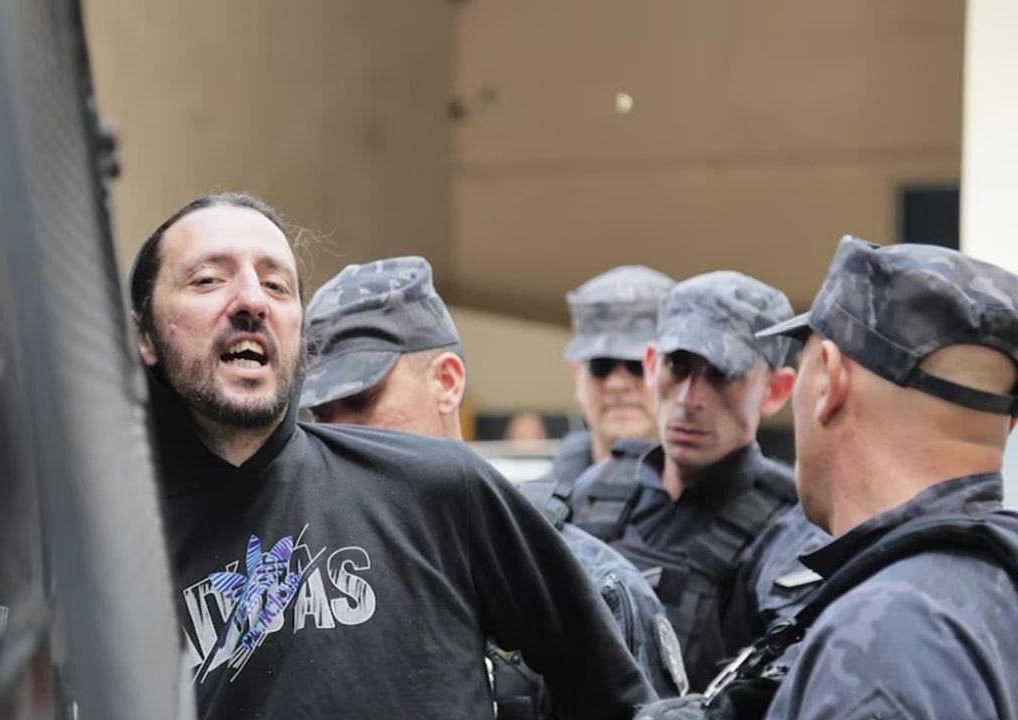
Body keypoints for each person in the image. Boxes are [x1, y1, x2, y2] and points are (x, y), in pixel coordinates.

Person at [129, 194, 653, 719]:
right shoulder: (109, 551)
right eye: (208, 280)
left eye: (276, 284)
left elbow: (621, 700)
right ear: (145, 334)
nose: (251, 299)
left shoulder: (440, 488)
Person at [643, 237, 1018, 720]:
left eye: (803, 363)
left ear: (830, 381)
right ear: (1008, 423)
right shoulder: (990, 589)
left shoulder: (881, 644)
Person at [301, 256, 689, 709]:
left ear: (447, 382)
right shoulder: (311, 601)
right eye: (322, 415)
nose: (339, 433)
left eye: (362, 400)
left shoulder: (586, 584)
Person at [566, 272, 829, 689]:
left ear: (775, 391)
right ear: (651, 367)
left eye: (722, 374)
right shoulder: (595, 491)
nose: (690, 399)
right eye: (678, 366)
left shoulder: (791, 535)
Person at [547, 267, 676, 486]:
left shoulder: (724, 498)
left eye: (638, 365)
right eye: (601, 366)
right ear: (577, 375)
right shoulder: (532, 504)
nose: (617, 384)